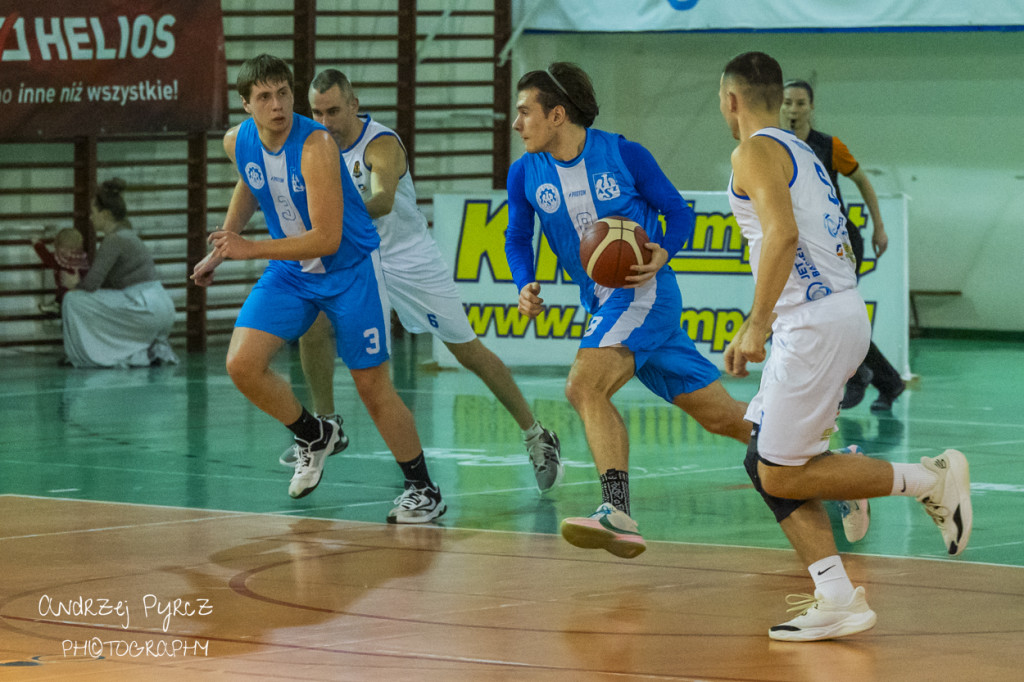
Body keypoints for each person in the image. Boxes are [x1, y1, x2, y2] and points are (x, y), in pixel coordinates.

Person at [719, 51, 972, 642]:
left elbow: (781, 235)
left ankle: (926, 481)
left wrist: (754, 324)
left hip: (812, 322)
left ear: (730, 99)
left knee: (781, 473)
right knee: (762, 460)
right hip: (829, 313)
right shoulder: (801, 148)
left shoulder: (753, 150)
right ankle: (836, 595)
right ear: (781, 98)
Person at [504, 62, 752, 559]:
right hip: (602, 299)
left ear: (557, 114)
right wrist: (524, 282)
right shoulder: (525, 171)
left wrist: (664, 249)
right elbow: (517, 235)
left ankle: (616, 511)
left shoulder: (622, 154)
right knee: (724, 418)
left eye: (524, 112)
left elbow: (678, 212)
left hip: (643, 293)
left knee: (582, 385)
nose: (516, 123)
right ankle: (830, 466)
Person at [282, 69, 564, 493]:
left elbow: (383, 199)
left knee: (467, 351)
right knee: (312, 325)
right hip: (355, 257)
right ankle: (326, 425)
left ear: (354, 105)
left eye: (335, 111)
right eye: (318, 112)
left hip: (407, 259)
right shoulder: (310, 145)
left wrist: (330, 217)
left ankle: (536, 434)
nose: (326, 122)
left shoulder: (380, 144)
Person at [190, 54, 443, 523]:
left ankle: (422, 487)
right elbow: (251, 180)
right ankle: (313, 433)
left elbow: (327, 237)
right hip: (294, 272)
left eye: (283, 93)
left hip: (348, 270)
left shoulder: (315, 146)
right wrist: (223, 248)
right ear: (246, 105)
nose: (277, 105)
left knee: (371, 387)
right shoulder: (237, 141)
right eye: (264, 97)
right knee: (241, 364)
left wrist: (250, 249)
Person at [780, 80, 906, 412]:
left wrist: (879, 227)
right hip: (809, 247)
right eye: (788, 103)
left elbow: (863, 180)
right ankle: (887, 382)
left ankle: (858, 376)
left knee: (833, 314)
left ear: (811, 107)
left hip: (842, 243)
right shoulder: (774, 146)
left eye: (800, 103)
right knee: (826, 317)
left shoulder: (829, 146)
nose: (793, 110)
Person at [61, 179, 178, 368]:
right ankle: (145, 352)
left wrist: (73, 284)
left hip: (145, 308)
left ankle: (87, 357)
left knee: (72, 300)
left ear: (105, 214)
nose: (90, 217)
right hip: (162, 307)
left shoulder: (114, 240)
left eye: (93, 212)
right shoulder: (127, 234)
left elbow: (91, 285)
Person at [33, 227, 90, 314]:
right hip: (77, 298)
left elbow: (47, 258)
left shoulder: (67, 261)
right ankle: (57, 305)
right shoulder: (79, 259)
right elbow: (47, 257)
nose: (68, 252)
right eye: (63, 248)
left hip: (71, 298)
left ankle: (57, 305)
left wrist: (37, 244)